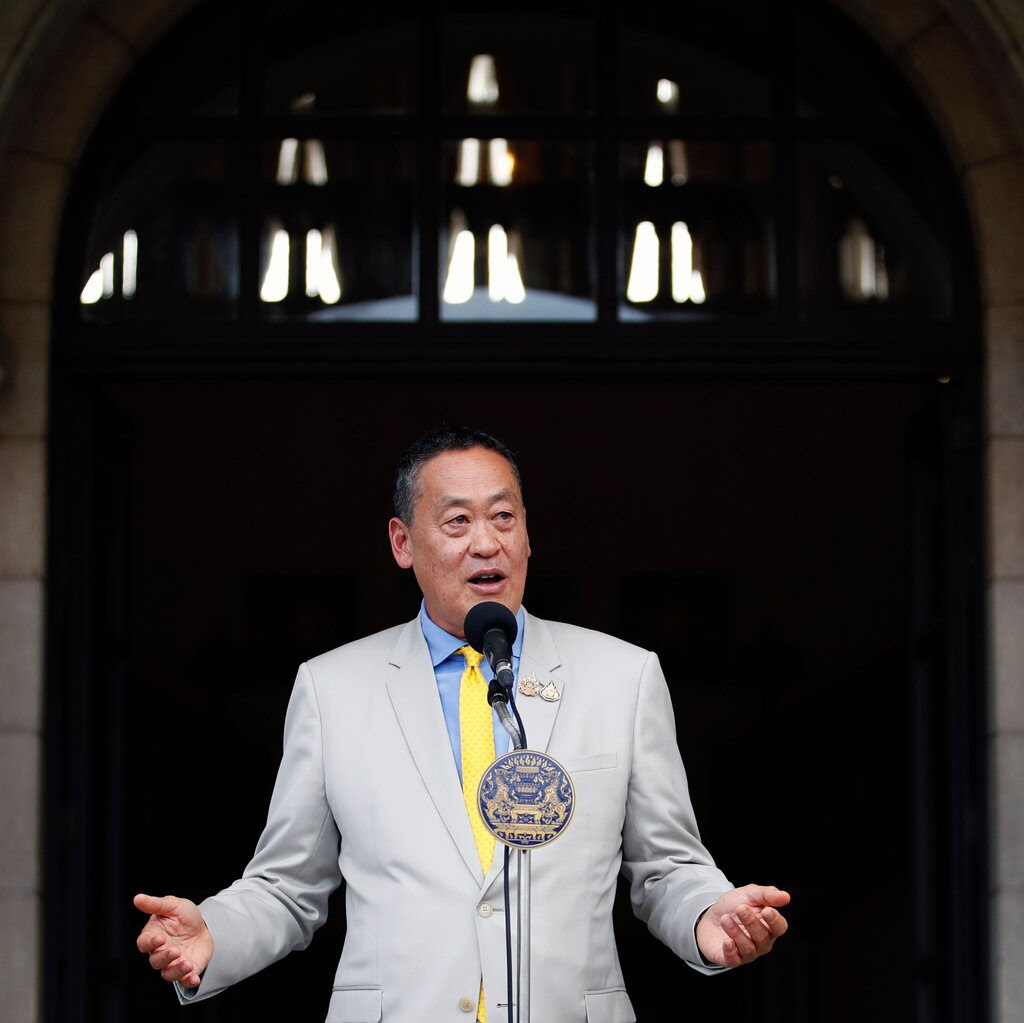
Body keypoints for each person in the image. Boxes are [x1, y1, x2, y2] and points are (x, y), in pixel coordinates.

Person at [135, 426, 789, 1022]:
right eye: (457, 520)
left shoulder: (623, 677)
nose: (487, 541)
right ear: (402, 542)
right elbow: (287, 885)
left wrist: (711, 915)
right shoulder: (332, 688)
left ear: (528, 533)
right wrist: (212, 932)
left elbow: (666, 867)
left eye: (504, 516)